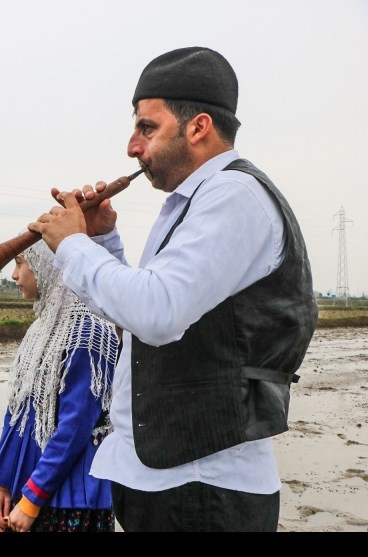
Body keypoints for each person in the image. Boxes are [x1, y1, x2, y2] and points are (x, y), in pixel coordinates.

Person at [28, 46, 318, 532]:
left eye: (147, 127)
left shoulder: (233, 196)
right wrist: (102, 240)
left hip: (203, 488)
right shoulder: (196, 200)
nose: (132, 147)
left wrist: (74, 246)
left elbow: (157, 314)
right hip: (164, 479)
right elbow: (140, 310)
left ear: (198, 127)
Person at [0, 241, 118, 533]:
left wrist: (33, 498)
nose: (14, 275)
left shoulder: (90, 330)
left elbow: (76, 427)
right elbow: (17, 412)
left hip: (68, 496)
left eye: (20, 263)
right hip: (27, 490)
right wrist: (2, 484)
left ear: (49, 265)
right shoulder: (40, 329)